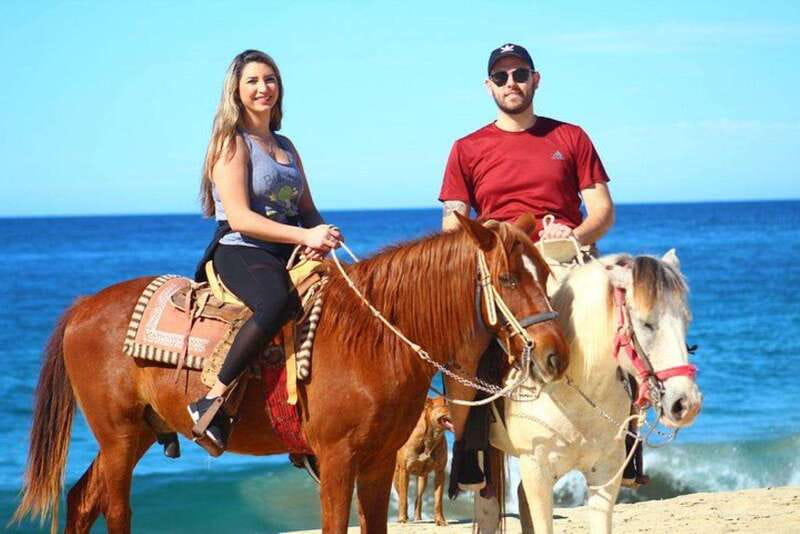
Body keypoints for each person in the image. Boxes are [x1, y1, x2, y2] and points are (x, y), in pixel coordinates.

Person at [438, 43, 648, 491]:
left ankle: (628, 443)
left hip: (565, 255)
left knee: (626, 319)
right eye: (501, 76)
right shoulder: (467, 148)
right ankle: (470, 447)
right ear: (488, 85)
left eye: (519, 74)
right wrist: (487, 244)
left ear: (536, 79)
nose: (510, 83)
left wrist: (575, 236)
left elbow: (602, 211)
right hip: (502, 263)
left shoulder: (570, 137)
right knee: (462, 338)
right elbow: (451, 222)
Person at [189, 49, 342, 451]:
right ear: (236, 91)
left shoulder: (286, 145)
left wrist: (322, 233)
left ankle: (309, 418)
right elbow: (240, 218)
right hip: (242, 249)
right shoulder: (231, 144)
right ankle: (212, 400)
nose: (263, 88)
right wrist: (303, 237)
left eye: (269, 80)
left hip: (286, 248)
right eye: (253, 81)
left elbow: (306, 209)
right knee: (275, 303)